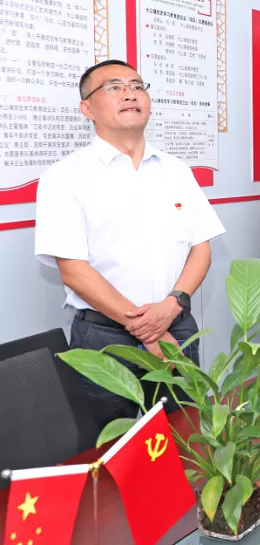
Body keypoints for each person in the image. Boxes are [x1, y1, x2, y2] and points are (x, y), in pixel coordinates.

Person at [35, 59, 225, 429]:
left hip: (176, 325)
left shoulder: (176, 170)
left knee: (186, 438)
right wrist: (148, 329)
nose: (129, 94)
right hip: (104, 337)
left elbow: (201, 248)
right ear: (87, 109)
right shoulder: (65, 176)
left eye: (137, 86)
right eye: (114, 87)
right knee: (109, 447)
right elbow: (74, 271)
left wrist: (171, 307)